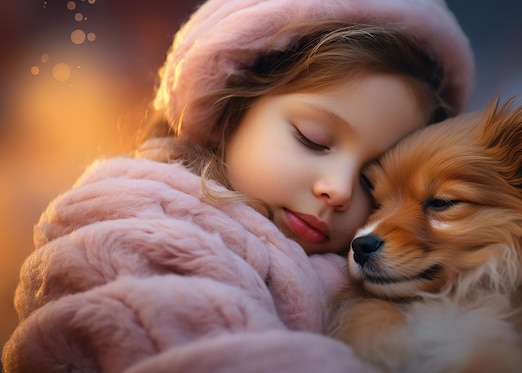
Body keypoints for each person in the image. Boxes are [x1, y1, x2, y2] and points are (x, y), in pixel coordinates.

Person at [2, 0, 474, 371]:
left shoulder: (364, 267)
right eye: (313, 140)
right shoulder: (144, 224)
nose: (339, 189)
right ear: (234, 111)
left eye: (374, 179)